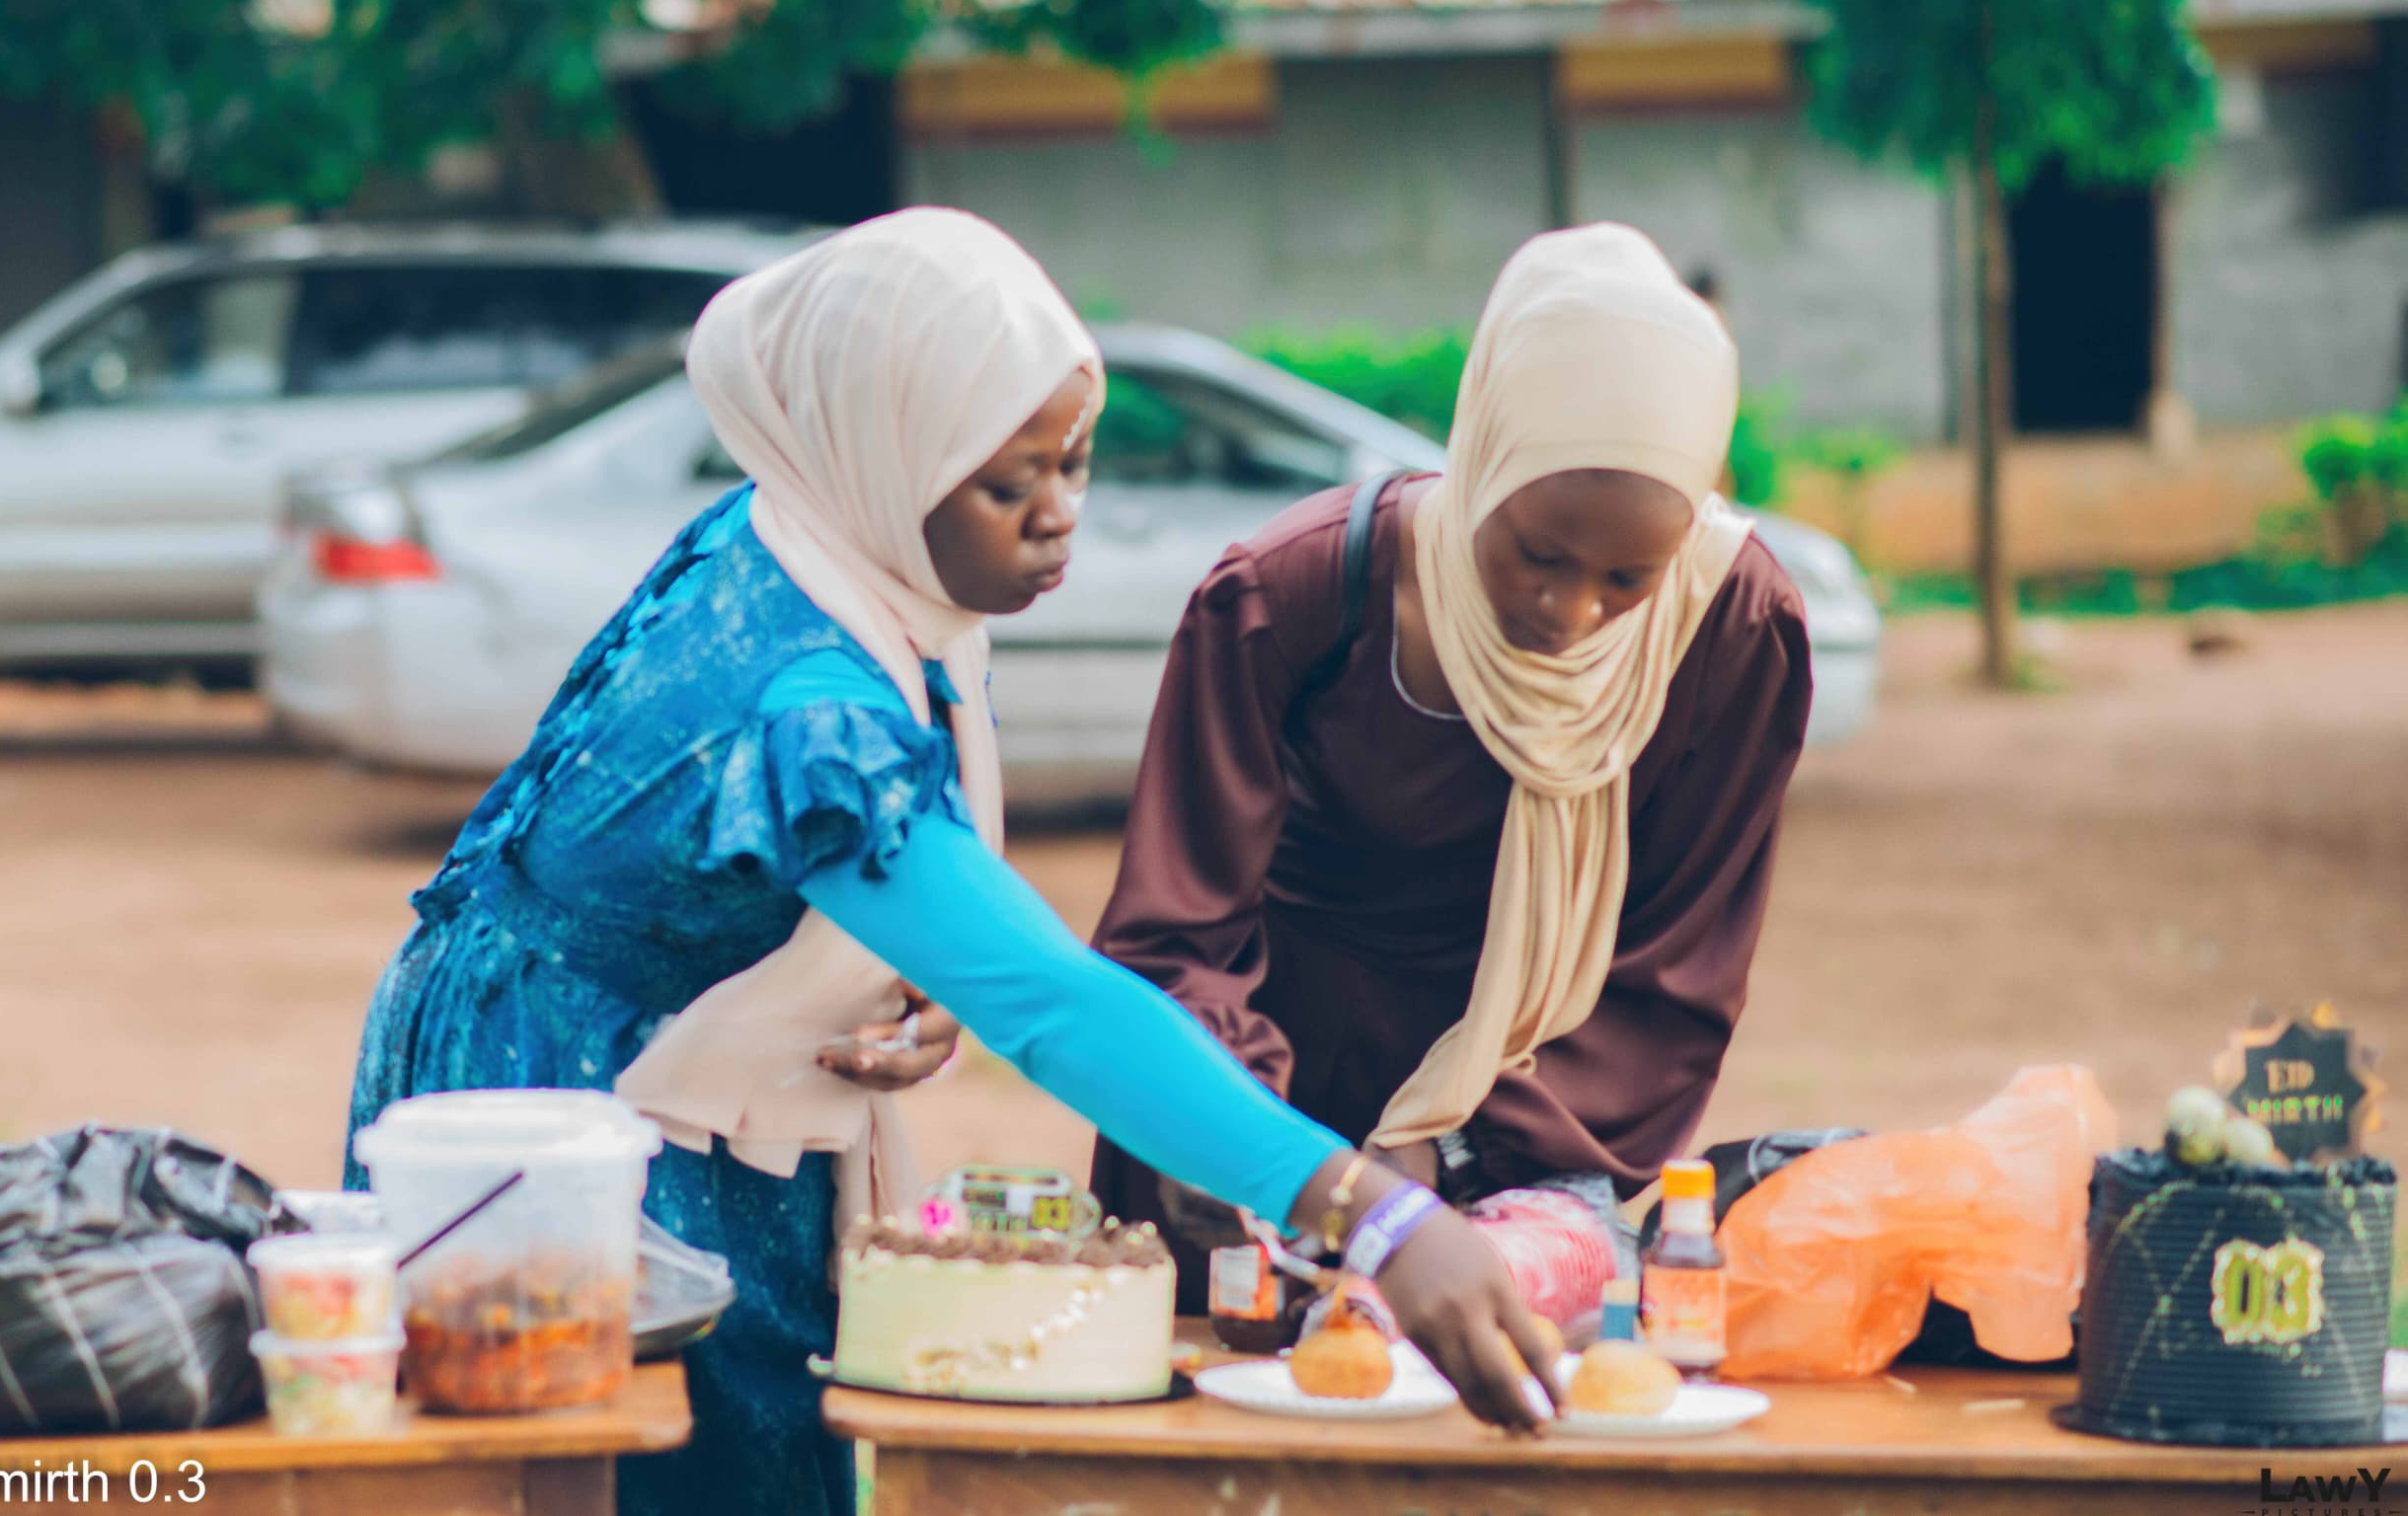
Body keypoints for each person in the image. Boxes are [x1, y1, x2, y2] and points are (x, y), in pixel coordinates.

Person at [345, 209, 1560, 1516]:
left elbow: (786, 872)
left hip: (674, 1084)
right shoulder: (808, 703)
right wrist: (1371, 1212)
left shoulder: (821, 539)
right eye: (1006, 483)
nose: (1059, 513)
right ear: (881, 459)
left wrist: (890, 973)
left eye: (1075, 461)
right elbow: (1048, 999)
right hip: (574, 1107)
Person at [1091, 224, 1813, 1324]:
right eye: (1536, 554)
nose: (1571, 612)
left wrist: (1460, 1146)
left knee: (1480, 1412)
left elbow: (1676, 967)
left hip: (1527, 1139)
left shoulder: (1731, 631)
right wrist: (1256, 1147)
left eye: (1628, 577)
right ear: (1482, 455)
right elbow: (1174, 930)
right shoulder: (1289, 599)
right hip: (1254, 1130)